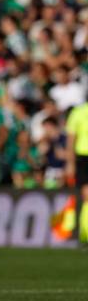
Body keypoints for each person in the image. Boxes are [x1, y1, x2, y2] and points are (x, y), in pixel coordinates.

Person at [66, 101, 88, 242]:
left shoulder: (78, 112)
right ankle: (85, 234)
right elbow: (71, 140)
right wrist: (70, 163)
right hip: (84, 158)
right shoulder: (78, 112)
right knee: (87, 195)